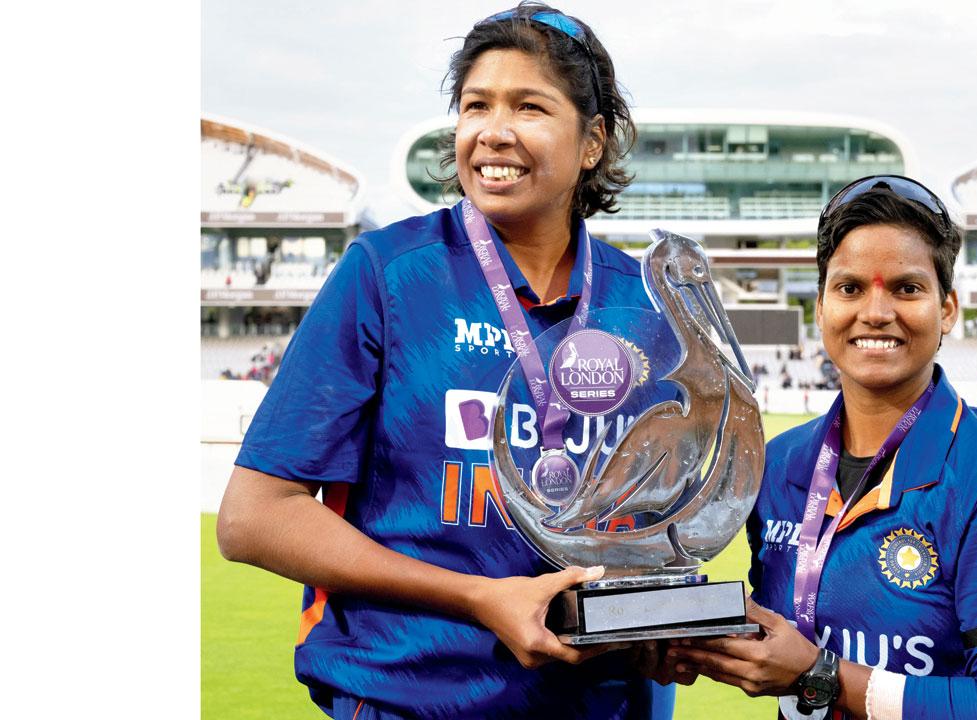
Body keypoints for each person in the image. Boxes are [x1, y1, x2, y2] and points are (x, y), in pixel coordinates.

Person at [216, 4, 674, 718]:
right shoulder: (388, 274)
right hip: (408, 698)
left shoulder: (644, 305)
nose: (493, 131)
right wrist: (480, 599)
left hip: (601, 705)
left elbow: (664, 523)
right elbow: (254, 517)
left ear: (592, 143)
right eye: (474, 105)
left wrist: (660, 618)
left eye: (529, 106)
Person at [666, 176, 977, 719]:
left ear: (949, 309)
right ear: (820, 308)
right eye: (850, 288)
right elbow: (781, 631)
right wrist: (679, 635)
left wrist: (822, 676)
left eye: (907, 289)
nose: (876, 311)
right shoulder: (779, 465)